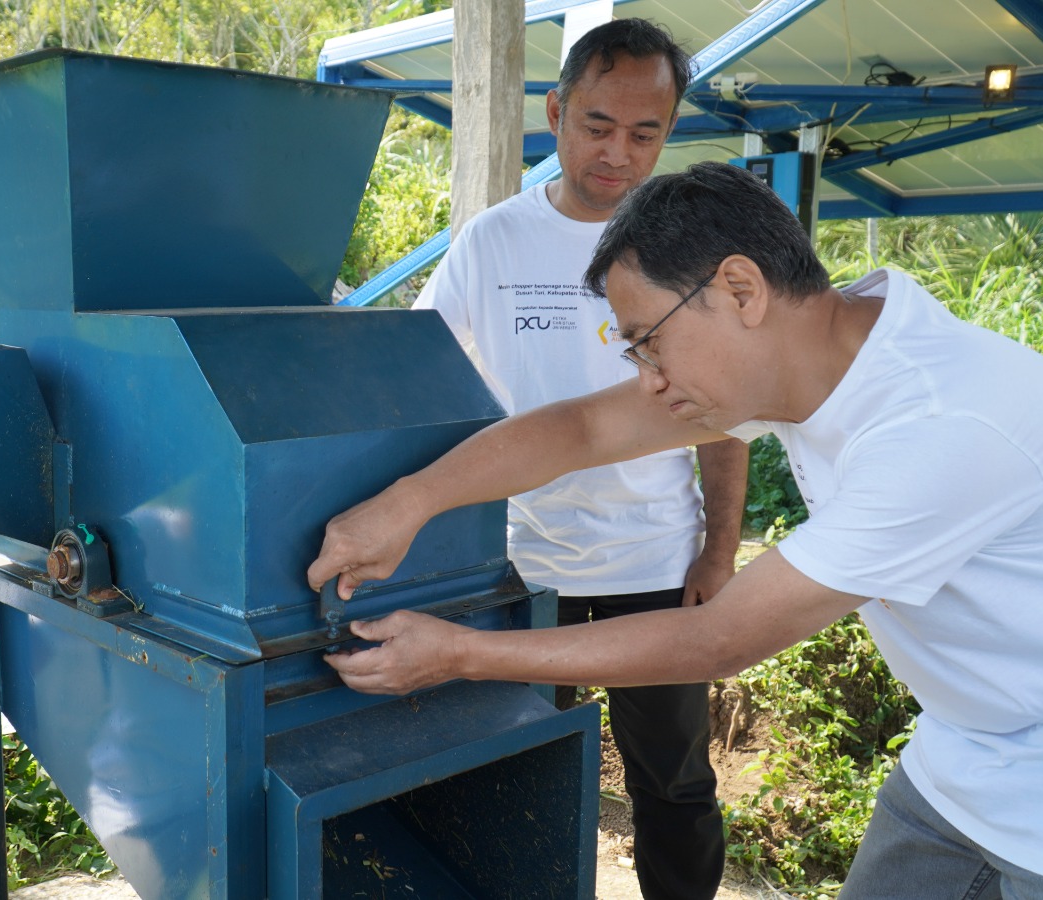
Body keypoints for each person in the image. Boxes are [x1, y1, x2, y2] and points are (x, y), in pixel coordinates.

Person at [309, 160, 1043, 896]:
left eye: (647, 340)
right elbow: (583, 430)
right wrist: (409, 501)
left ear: (740, 288)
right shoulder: (818, 358)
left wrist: (460, 654)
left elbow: (723, 638)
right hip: (965, 753)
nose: (646, 377)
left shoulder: (942, 426)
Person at [412, 18, 746, 899]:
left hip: (655, 562)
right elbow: (421, 388)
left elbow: (727, 425)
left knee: (673, 781)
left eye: (646, 133)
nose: (618, 153)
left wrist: (717, 554)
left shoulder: (698, 252)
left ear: (670, 132)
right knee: (506, 768)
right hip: (521, 568)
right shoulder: (492, 243)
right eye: (597, 125)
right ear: (555, 112)